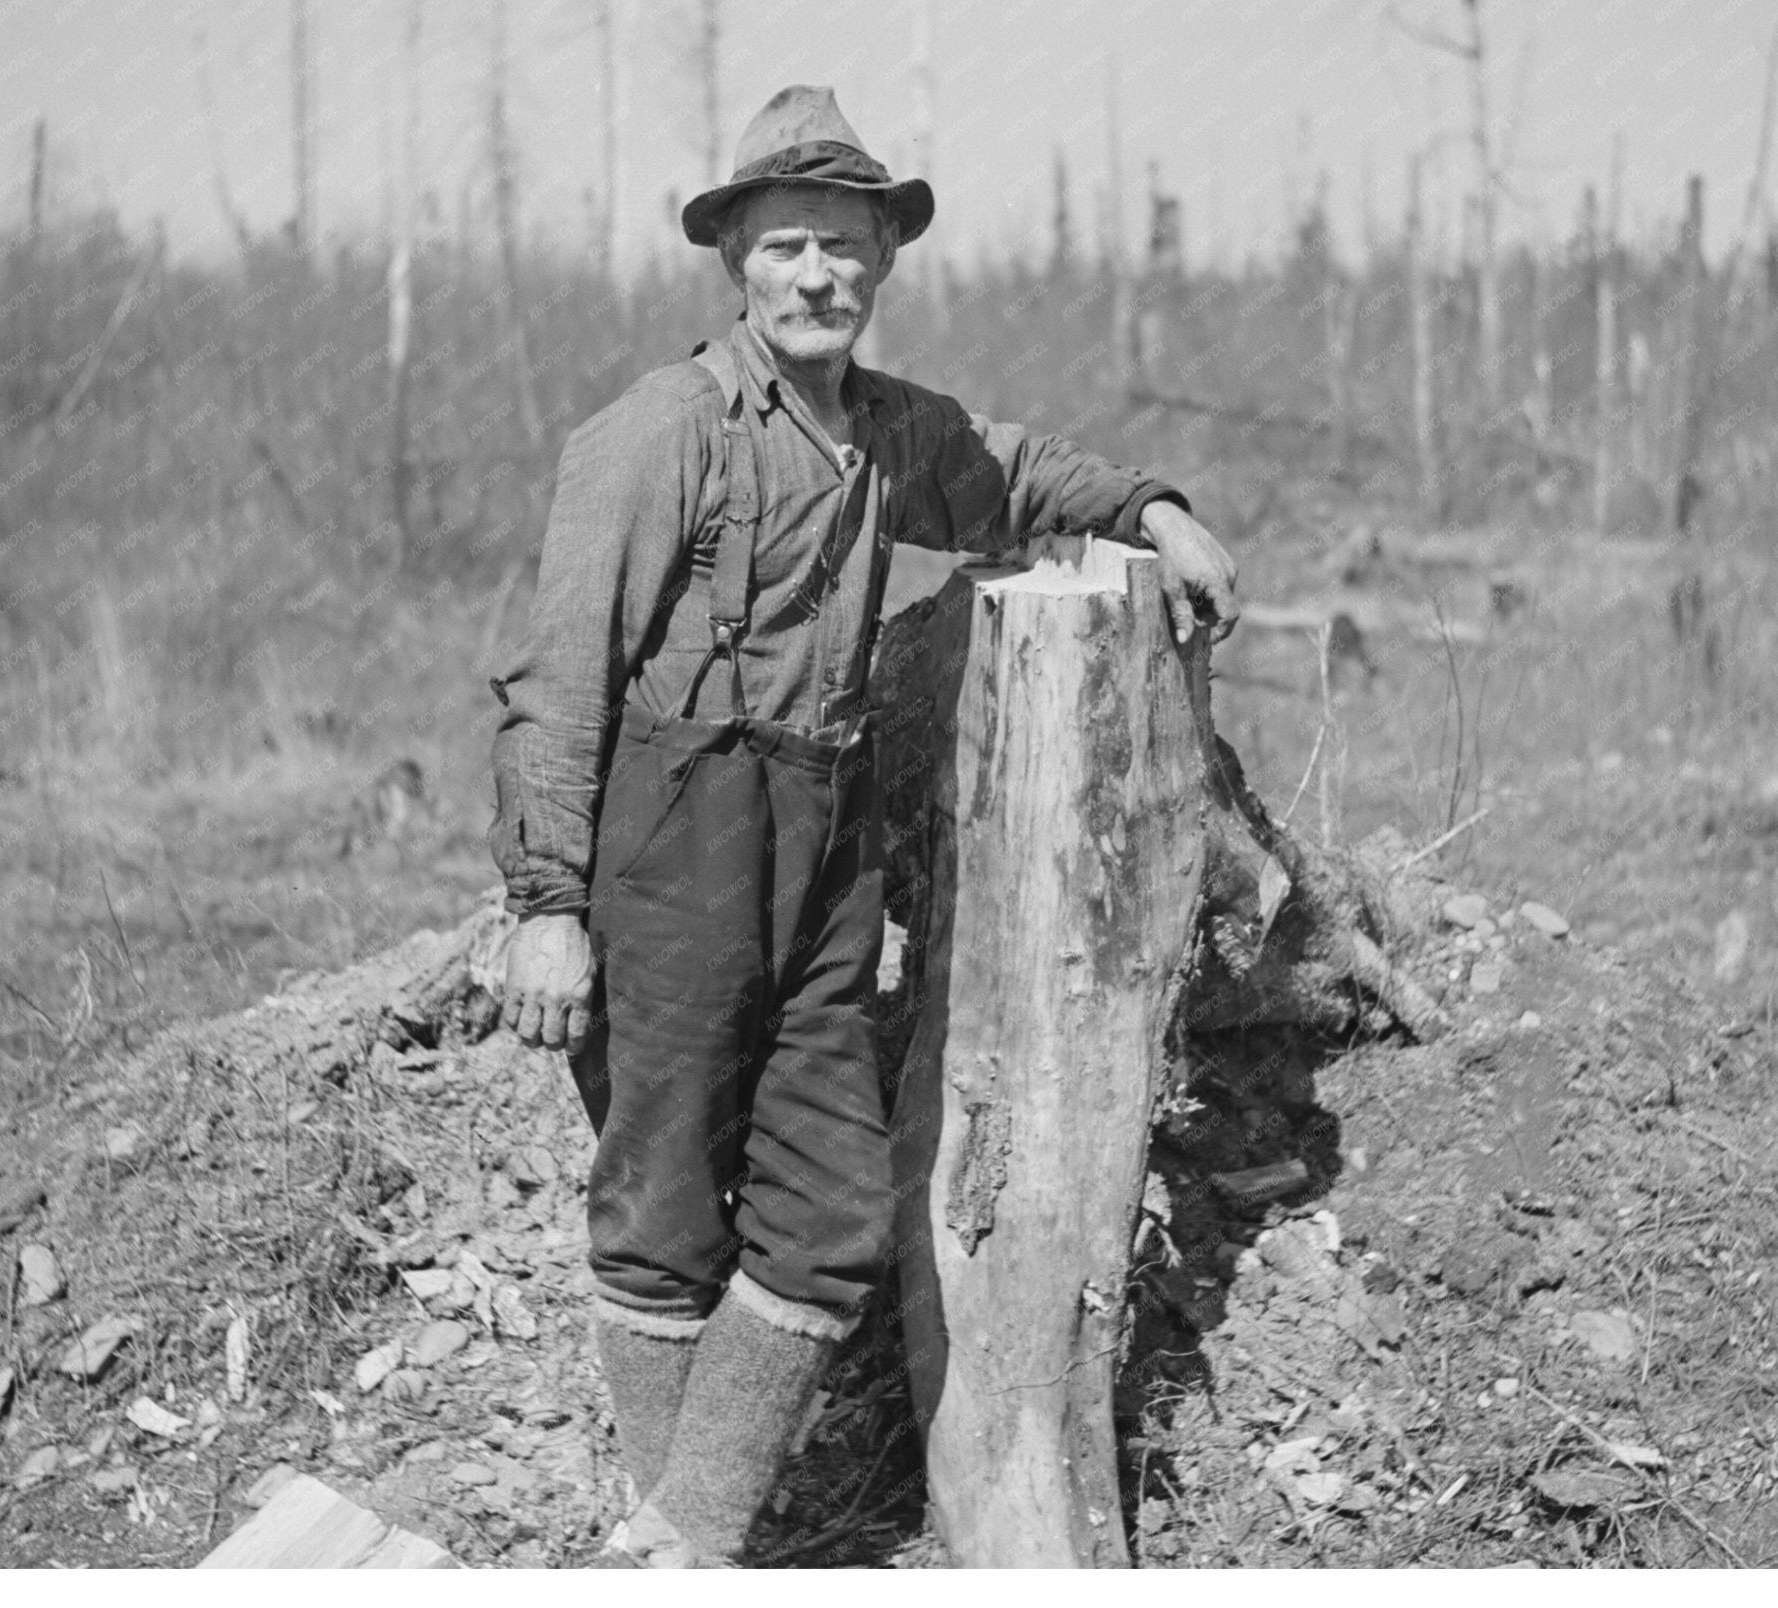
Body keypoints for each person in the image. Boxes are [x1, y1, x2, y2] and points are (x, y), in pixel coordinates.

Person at [488, 85, 1240, 1566]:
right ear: (736, 265)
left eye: (846, 247)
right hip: (673, 832)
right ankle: (686, 1544)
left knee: (831, 1210)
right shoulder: (658, 437)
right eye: (787, 247)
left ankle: (682, 1532)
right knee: (663, 1191)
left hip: (823, 838)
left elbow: (1020, 474)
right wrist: (544, 902)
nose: (819, 276)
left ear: (884, 263)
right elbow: (556, 674)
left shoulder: (892, 436)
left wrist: (1158, 511)